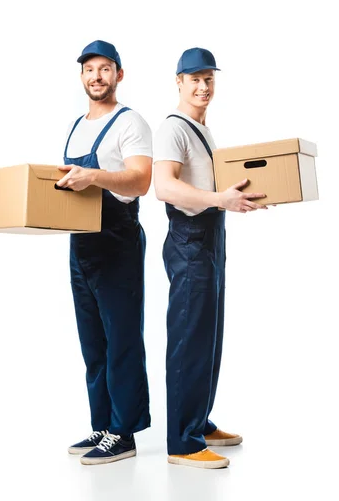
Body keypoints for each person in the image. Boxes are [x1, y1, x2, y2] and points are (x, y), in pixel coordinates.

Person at [153, 47, 267, 469]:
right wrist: (220, 199)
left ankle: (198, 422)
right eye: (194, 79)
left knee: (209, 338)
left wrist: (244, 197)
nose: (203, 87)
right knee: (188, 340)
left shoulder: (203, 129)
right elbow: (164, 187)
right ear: (178, 82)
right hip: (188, 241)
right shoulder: (172, 129)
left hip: (210, 239)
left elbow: (213, 189)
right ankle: (182, 443)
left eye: (209, 79)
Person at [57, 40, 152, 465]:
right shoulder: (77, 124)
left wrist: (93, 175)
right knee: (92, 342)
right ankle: (102, 424)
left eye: (105, 68)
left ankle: (124, 431)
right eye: (89, 69)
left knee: (122, 340)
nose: (97, 76)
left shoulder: (130, 123)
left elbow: (139, 181)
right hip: (81, 245)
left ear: (119, 75)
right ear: (81, 77)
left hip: (117, 244)